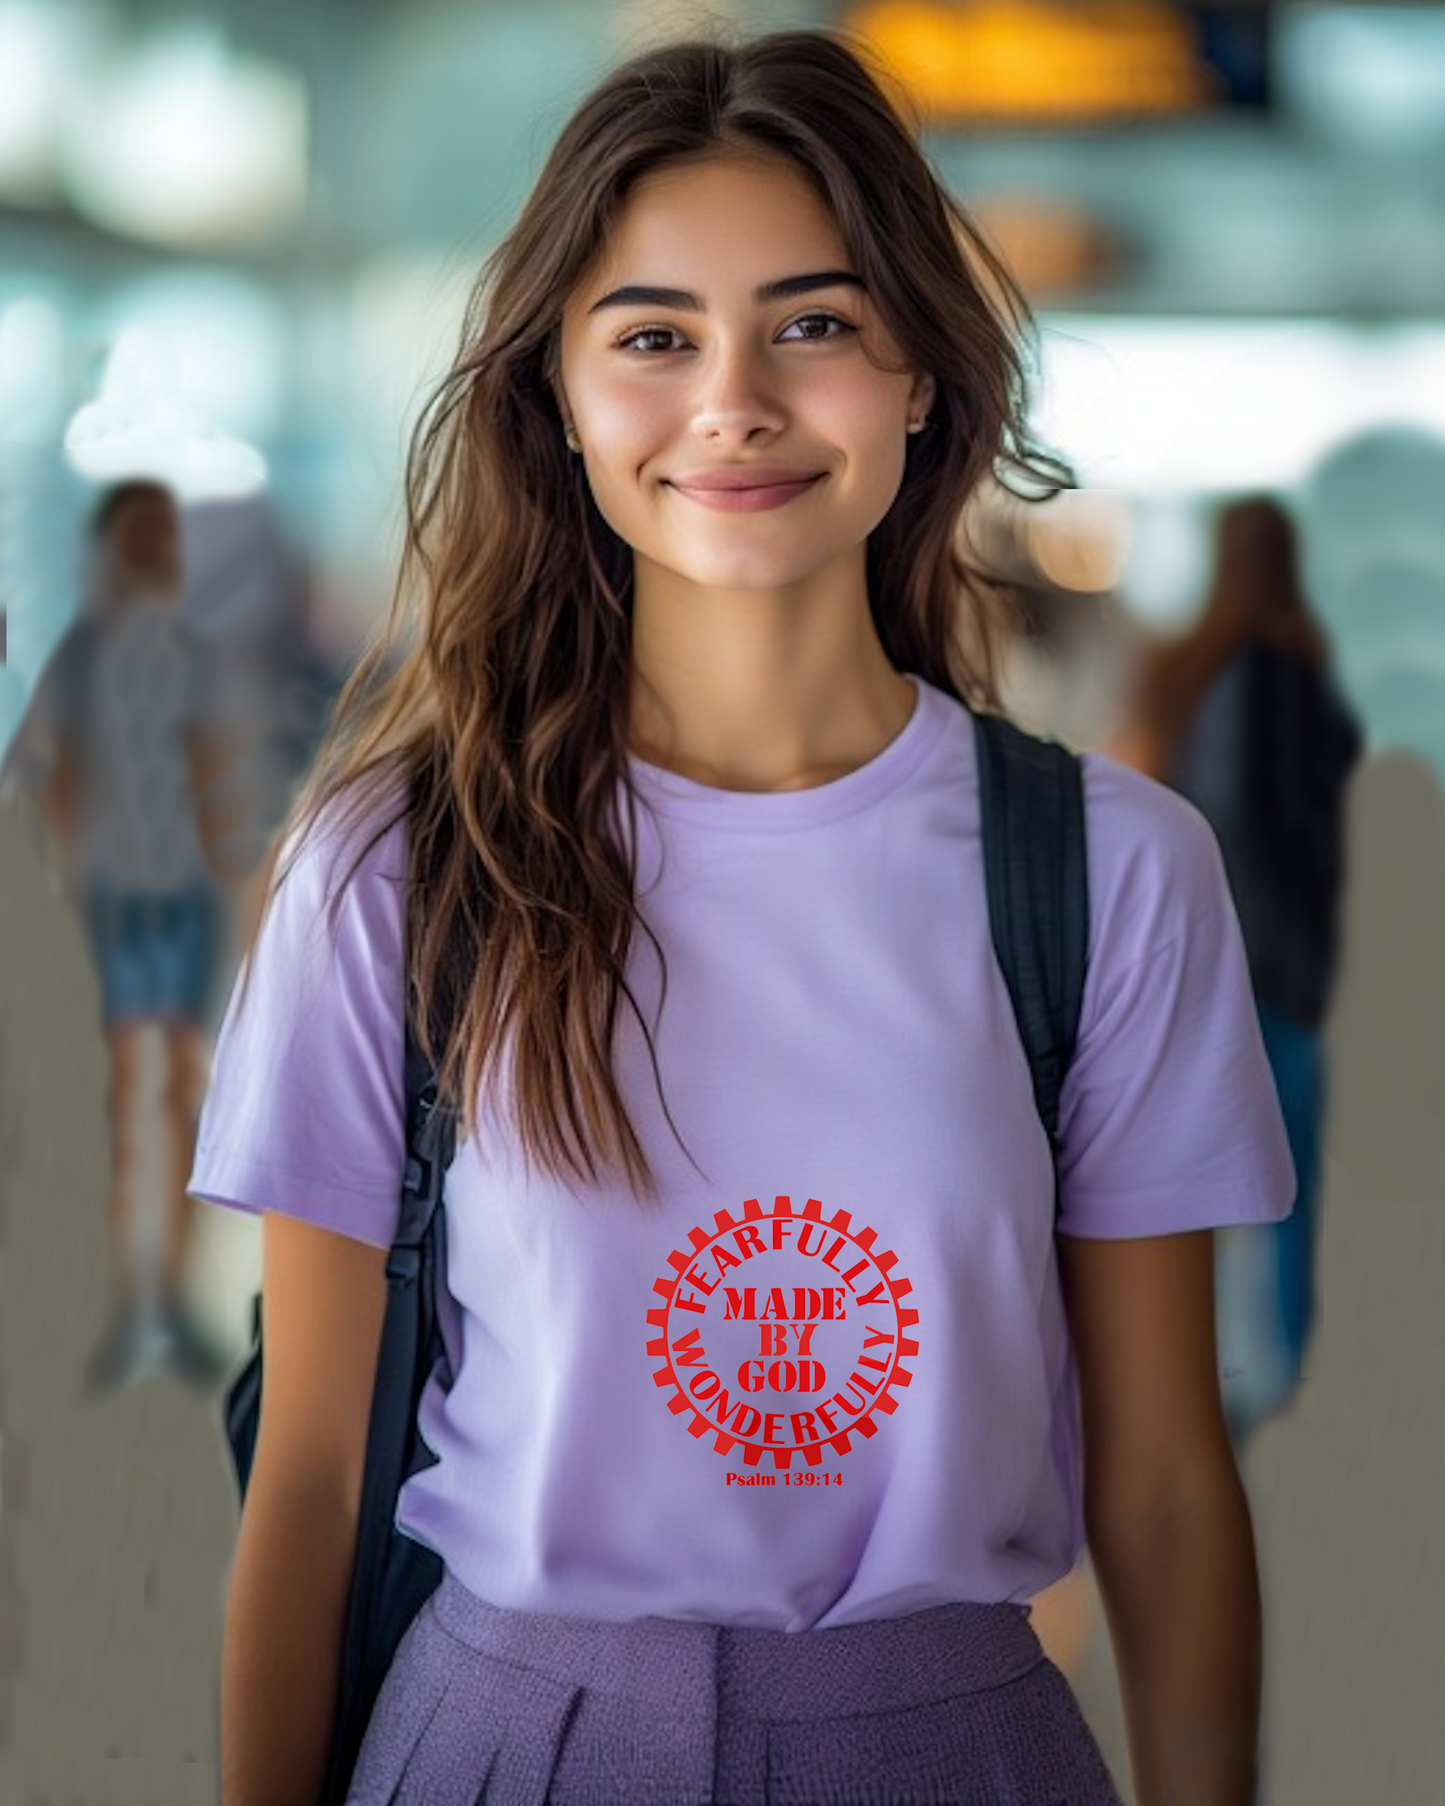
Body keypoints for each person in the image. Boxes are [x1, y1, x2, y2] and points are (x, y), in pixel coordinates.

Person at [189, 32, 1294, 1806]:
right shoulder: (397, 865)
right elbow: (309, 1479)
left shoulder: (1107, 870)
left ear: (923, 374)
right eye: (653, 337)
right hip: (502, 1745)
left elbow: (1165, 1482)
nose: (734, 401)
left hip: (957, 1748)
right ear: (555, 393)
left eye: (815, 324)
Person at [1108, 496, 1360, 1448]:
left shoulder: (1184, 670)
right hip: (1287, 973)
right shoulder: (1300, 676)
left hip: (1197, 968)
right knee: (1294, 1193)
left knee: (1186, 1201)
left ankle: (1199, 1385)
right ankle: (1285, 1379)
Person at [7, 480, 241, 1394]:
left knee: (177, 1097)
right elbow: (35, 772)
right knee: (116, 1100)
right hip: (106, 911)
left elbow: (218, 785)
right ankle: (113, 1292)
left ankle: (163, 1296)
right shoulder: (83, 657)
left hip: (176, 909)